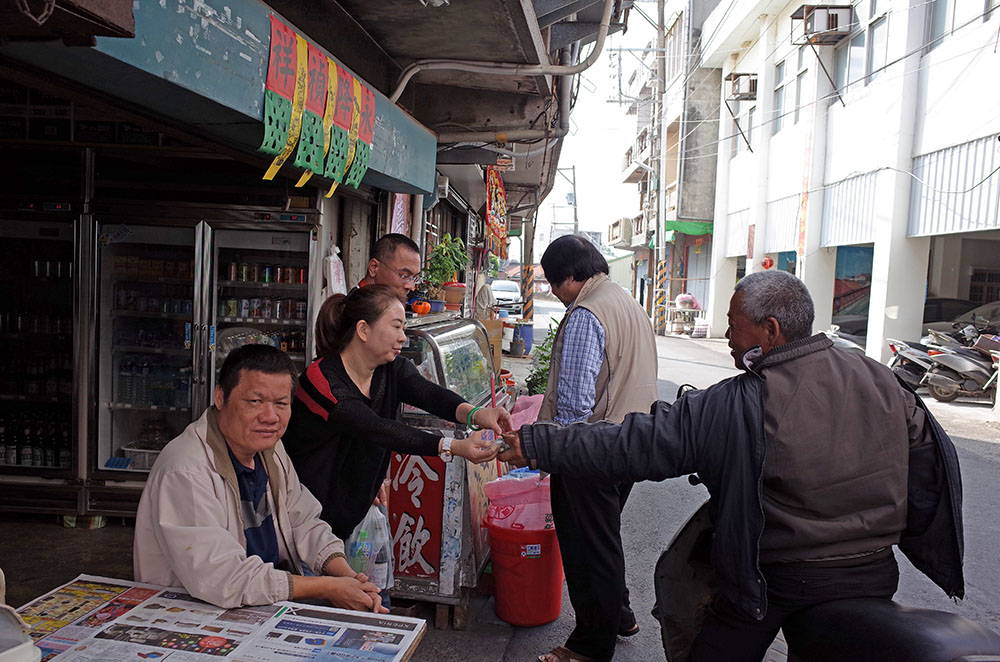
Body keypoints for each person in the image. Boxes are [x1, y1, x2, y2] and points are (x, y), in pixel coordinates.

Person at [500, 270, 964, 662]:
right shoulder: (883, 379)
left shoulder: (741, 401)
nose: (726, 335)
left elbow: (633, 443)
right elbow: (926, 471)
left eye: (733, 324)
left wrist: (535, 442)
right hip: (873, 572)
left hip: (772, 578)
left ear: (771, 331)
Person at [134, 344, 386, 612]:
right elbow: (222, 577)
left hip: (261, 600)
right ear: (220, 398)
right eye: (255, 401)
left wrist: (346, 576)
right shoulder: (186, 469)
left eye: (281, 404)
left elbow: (302, 520)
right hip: (196, 611)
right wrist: (327, 587)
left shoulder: (269, 449)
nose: (270, 417)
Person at [282, 284, 512, 544]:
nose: (403, 337)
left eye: (404, 328)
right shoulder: (321, 379)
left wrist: (479, 414)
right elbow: (375, 428)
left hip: (350, 517)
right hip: (302, 520)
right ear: (363, 330)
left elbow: (430, 395)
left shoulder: (391, 369)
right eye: (396, 327)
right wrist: (454, 446)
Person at [535, 234, 659, 662]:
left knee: (588, 548)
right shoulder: (626, 300)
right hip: (631, 442)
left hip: (590, 451)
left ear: (572, 276)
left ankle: (589, 646)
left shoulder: (587, 313)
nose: (554, 292)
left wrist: (545, 448)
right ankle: (620, 614)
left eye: (555, 282)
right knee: (603, 536)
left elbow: (573, 406)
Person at [357, 233, 422, 299]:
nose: (411, 286)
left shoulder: (383, 305)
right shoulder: (358, 306)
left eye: (415, 278)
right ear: (374, 267)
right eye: (404, 276)